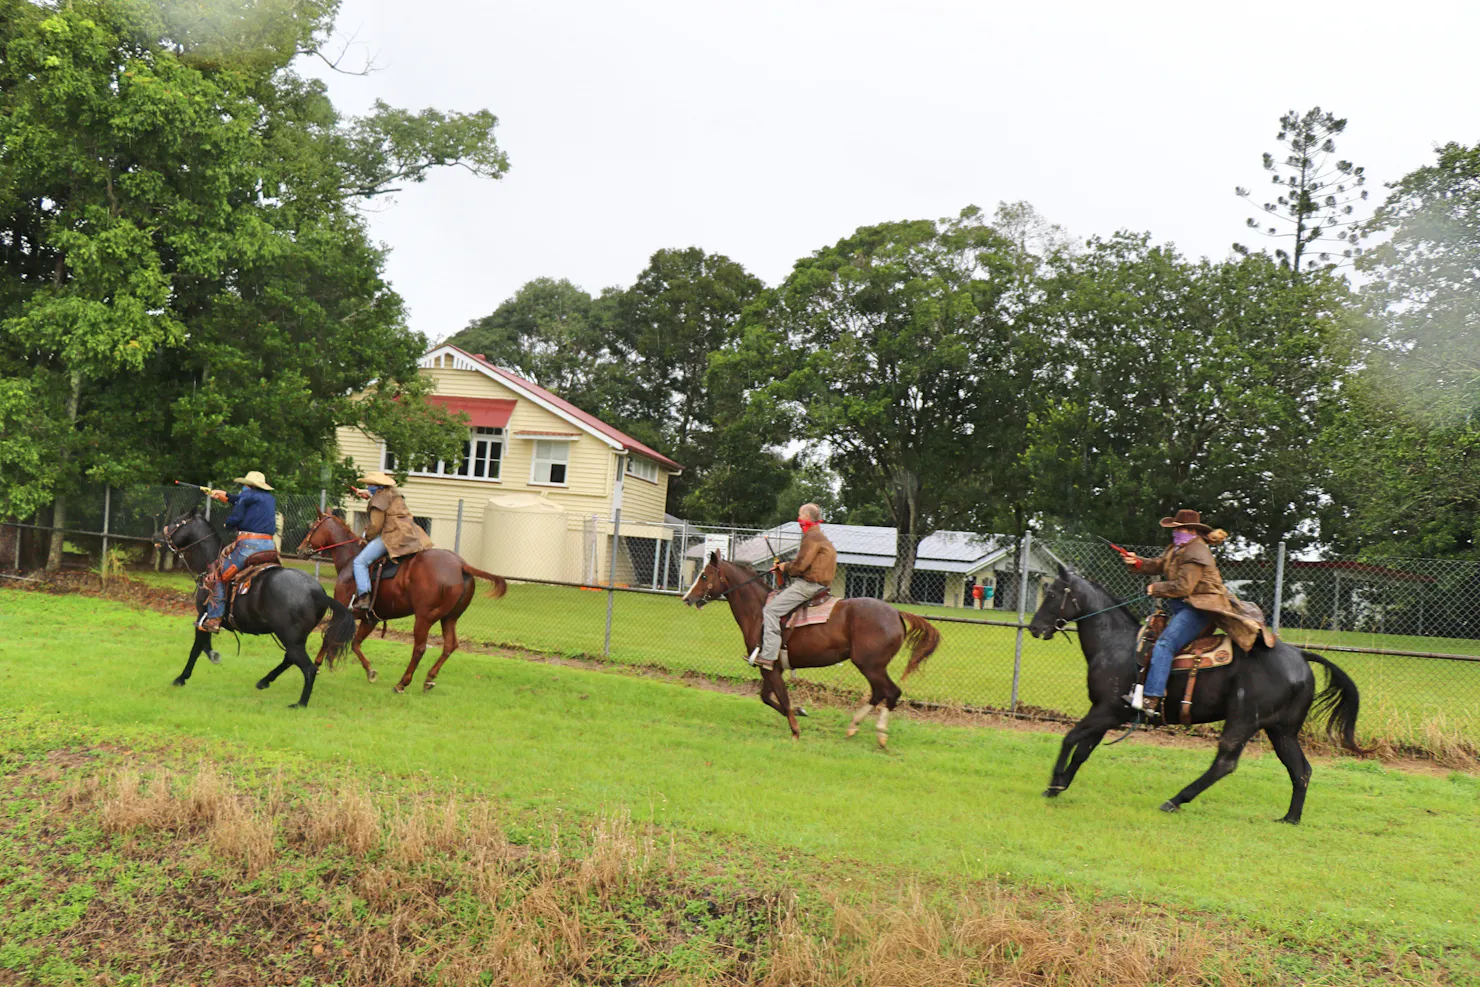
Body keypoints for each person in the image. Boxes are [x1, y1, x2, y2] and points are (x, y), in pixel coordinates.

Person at [1118, 508, 1267, 719]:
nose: (1175, 533)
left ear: (1191, 531)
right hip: (1185, 606)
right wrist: (1138, 562)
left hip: (1199, 609)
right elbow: (1160, 564)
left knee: (1165, 644)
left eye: (1179, 529)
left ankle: (1151, 699)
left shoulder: (1197, 552)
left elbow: (1183, 587)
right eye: (1175, 529)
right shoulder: (1178, 547)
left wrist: (1156, 588)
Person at [750, 503, 837, 670]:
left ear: (807, 517)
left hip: (809, 585)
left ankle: (768, 657)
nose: (798, 518)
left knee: (771, 611)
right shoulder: (819, 536)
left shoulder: (811, 536)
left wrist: (784, 567)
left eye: (800, 514)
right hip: (818, 584)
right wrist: (786, 567)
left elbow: (800, 566)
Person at [197, 471, 278, 633]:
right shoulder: (269, 498)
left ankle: (214, 618)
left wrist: (227, 524)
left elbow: (237, 517)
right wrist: (225, 496)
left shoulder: (246, 495)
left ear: (248, 485)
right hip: (270, 546)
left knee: (218, 576)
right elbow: (244, 500)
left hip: (249, 546)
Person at [349, 471, 433, 612]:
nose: (369, 487)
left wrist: (366, 536)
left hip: (393, 535)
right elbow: (382, 496)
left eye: (370, 485)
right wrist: (367, 494)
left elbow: (376, 526)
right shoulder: (394, 492)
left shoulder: (378, 501)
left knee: (360, 562)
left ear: (377, 486)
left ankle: (364, 597)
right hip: (411, 533)